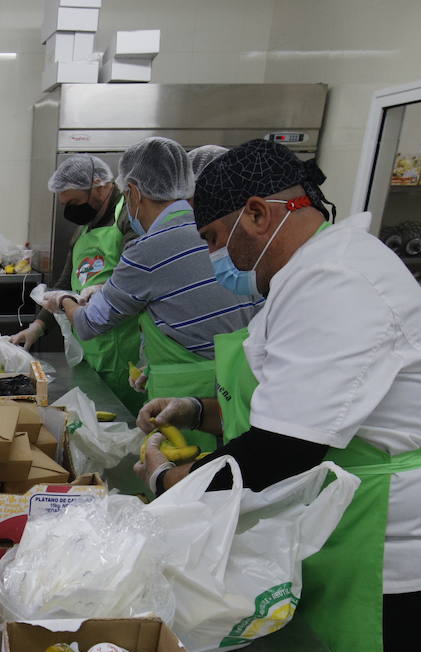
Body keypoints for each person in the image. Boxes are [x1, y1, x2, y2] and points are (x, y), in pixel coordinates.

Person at [136, 139, 421, 652]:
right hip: (339, 524)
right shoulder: (308, 275)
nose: (220, 260)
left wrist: (173, 486)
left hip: (388, 547)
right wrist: (197, 411)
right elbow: (290, 405)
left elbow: (283, 449)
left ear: (259, 215)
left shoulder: (336, 281)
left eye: (216, 239)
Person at [43, 137, 260, 451]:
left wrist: (63, 301)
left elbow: (91, 323)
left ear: (132, 192)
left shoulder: (150, 248)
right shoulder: (216, 231)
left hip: (188, 397)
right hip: (239, 389)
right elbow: (197, 311)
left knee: (187, 485)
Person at [10, 154, 142, 410]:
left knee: (126, 420)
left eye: (75, 201)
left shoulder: (127, 217)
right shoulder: (84, 229)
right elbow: (64, 283)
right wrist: (37, 326)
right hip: (90, 346)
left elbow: (137, 275)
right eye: (65, 203)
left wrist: (104, 290)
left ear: (101, 186)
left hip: (125, 348)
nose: (70, 209)